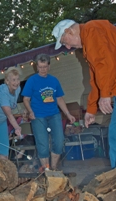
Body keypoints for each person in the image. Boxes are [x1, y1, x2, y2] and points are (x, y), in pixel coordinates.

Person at [52, 19, 116, 168]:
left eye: (65, 41)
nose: (68, 47)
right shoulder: (88, 42)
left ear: (70, 31)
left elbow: (106, 63)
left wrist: (105, 94)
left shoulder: (92, 30)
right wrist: (91, 110)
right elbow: (95, 78)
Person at [22, 54, 75, 171]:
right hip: (38, 116)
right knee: (43, 145)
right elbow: (26, 99)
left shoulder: (54, 80)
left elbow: (59, 98)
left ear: (49, 66)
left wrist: (68, 114)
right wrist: (30, 111)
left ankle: (54, 168)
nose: (42, 70)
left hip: (54, 115)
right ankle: (46, 170)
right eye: (40, 67)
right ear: (36, 67)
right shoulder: (32, 80)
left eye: (45, 67)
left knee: (59, 141)